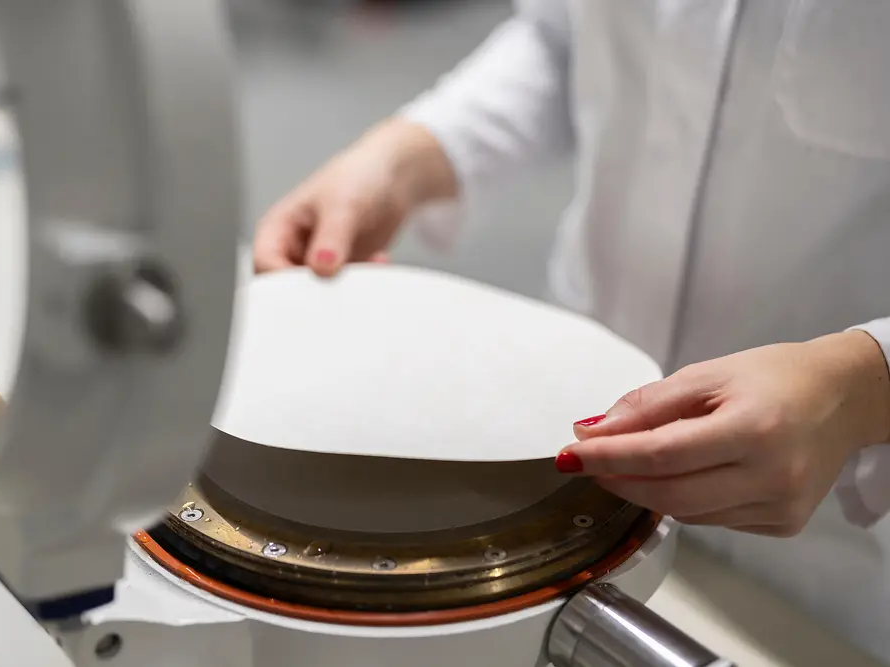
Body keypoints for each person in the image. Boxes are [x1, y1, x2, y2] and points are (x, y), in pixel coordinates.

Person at [253, 1, 890, 661]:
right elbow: (565, 36)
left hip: (830, 553)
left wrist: (860, 385)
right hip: (569, 463)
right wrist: (407, 151)